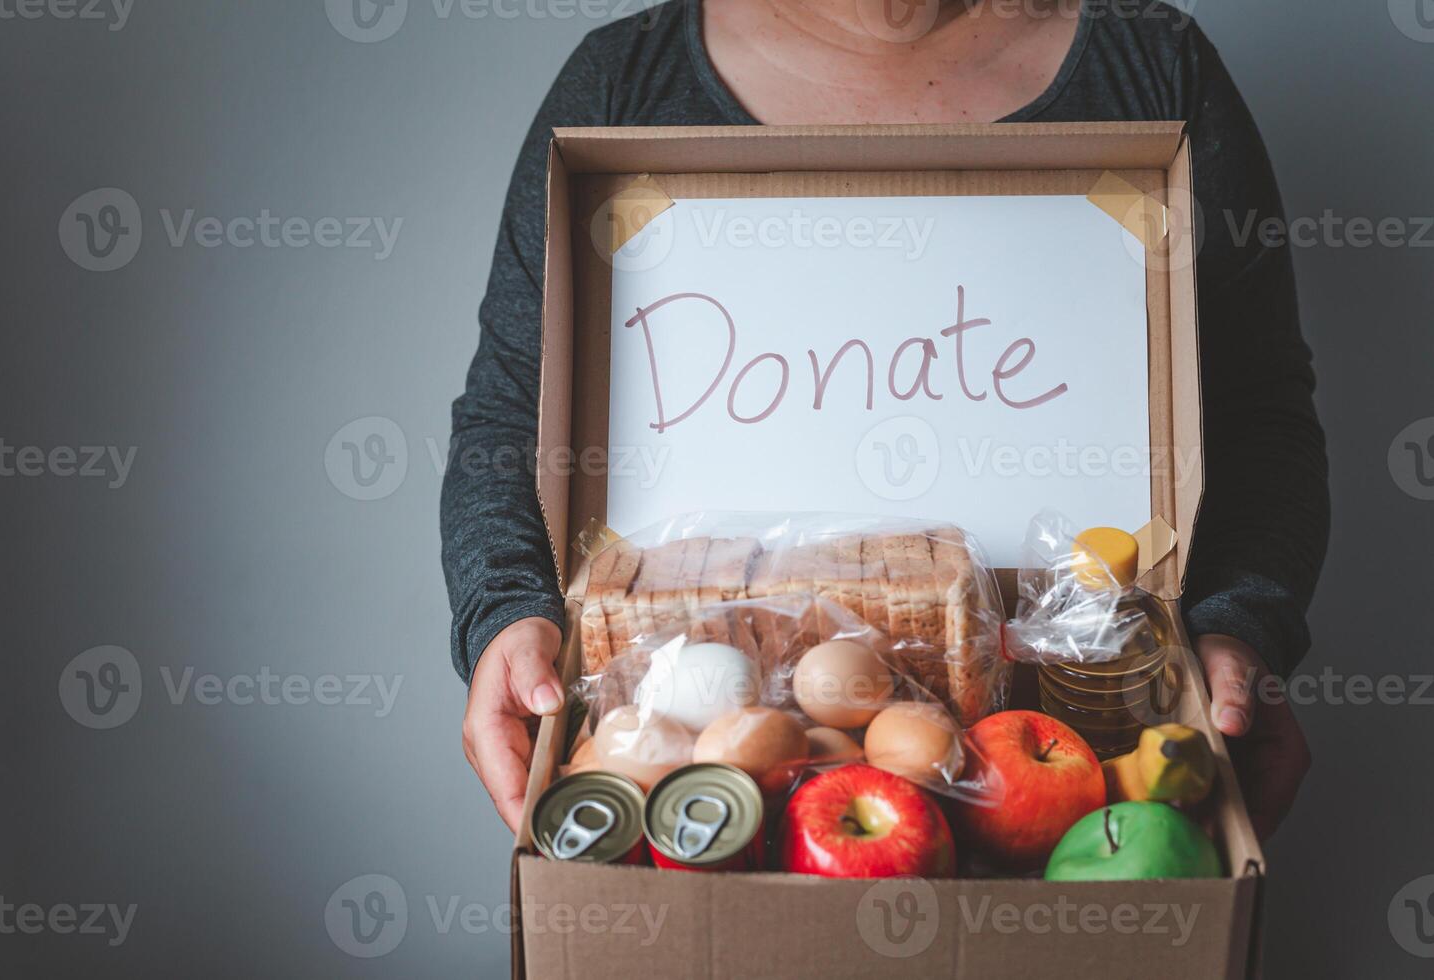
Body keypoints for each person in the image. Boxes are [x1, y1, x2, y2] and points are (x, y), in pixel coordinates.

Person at [442, 0, 1327, 839]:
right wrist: (509, 617)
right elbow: (510, 416)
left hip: (1078, 732)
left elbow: (1258, 419)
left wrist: (1238, 625)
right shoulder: (620, 82)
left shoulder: (1155, 67)